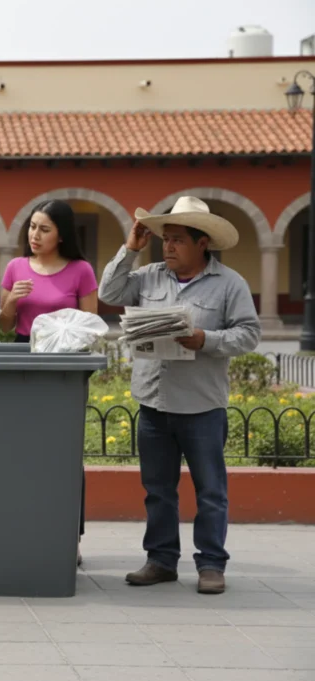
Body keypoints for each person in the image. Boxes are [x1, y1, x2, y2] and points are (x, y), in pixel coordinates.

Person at [98, 196, 260, 595]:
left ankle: (210, 565)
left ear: (203, 242)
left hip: (202, 404)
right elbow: (109, 290)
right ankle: (160, 560)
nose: (167, 246)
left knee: (210, 491)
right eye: (164, 239)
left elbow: (249, 334)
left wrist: (206, 339)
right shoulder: (150, 276)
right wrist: (130, 248)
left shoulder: (230, 284)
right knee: (157, 490)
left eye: (177, 240)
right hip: (153, 402)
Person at [0, 199, 98, 567]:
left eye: (44, 229)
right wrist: (11, 302)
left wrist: (64, 332)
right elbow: (4, 326)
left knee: (64, 454)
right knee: (20, 451)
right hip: (22, 358)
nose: (35, 235)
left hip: (65, 364)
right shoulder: (16, 267)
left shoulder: (81, 270)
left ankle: (68, 535)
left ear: (61, 235)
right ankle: (23, 526)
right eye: (32, 227)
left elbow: (91, 326)